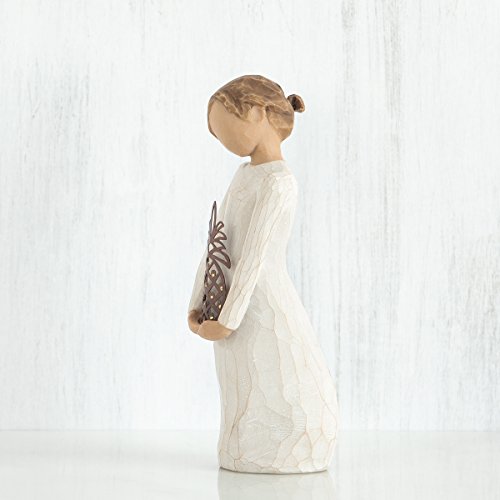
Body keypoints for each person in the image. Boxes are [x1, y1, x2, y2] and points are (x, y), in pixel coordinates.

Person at [187, 75, 339, 474]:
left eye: (225, 130)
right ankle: (240, 448)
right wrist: (198, 303)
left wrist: (227, 320)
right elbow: (219, 241)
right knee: (239, 383)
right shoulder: (244, 175)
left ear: (257, 113)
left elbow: (254, 257)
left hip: (258, 305)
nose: (221, 141)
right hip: (227, 307)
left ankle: (288, 447)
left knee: (272, 377)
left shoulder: (279, 184)